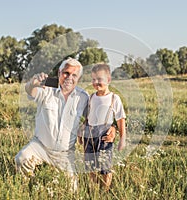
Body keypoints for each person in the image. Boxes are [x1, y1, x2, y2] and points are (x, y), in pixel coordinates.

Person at [15, 58, 116, 192]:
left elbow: (95, 118)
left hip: (65, 153)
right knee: (21, 158)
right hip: (40, 146)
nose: (69, 77)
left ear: (78, 79)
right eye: (66, 73)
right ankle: (27, 188)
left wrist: (112, 127)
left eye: (74, 75)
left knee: (71, 191)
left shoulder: (83, 97)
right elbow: (30, 91)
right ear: (59, 73)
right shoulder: (47, 89)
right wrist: (33, 83)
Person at [79, 63, 126, 191]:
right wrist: (81, 130)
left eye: (99, 79)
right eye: (93, 79)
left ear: (108, 80)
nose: (96, 82)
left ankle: (104, 191)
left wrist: (122, 139)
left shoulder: (114, 98)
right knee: (90, 164)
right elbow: (89, 117)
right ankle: (94, 189)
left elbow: (120, 119)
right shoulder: (91, 97)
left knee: (105, 165)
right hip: (89, 133)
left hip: (104, 134)